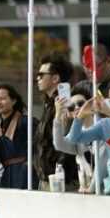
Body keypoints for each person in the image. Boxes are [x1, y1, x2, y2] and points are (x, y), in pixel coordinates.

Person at [34, 53, 74, 189]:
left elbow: (64, 142)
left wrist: (58, 171)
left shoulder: (66, 104)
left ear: (55, 78)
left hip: (61, 179)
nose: (37, 78)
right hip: (47, 177)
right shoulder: (49, 104)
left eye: (41, 75)